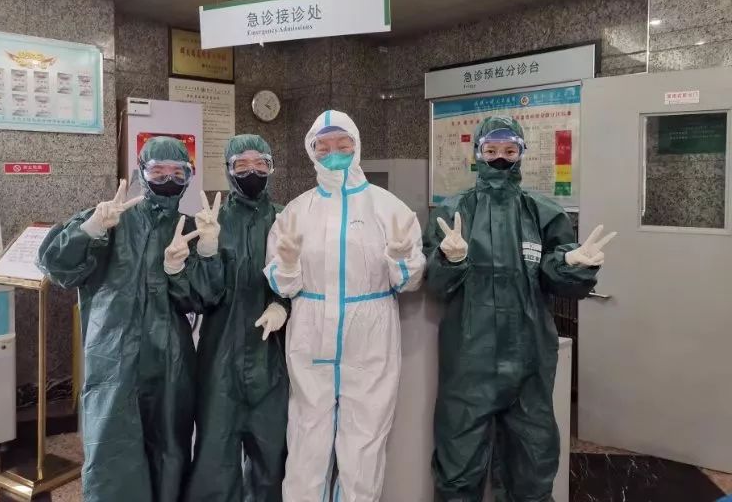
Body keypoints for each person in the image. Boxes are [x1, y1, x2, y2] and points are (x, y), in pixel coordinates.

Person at [424, 116, 616, 502]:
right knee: (458, 466)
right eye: (491, 150)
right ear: (477, 153)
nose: (500, 158)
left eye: (510, 151)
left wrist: (573, 266)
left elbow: (558, 280)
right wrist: (449, 261)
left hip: (529, 359)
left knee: (533, 464)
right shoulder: (454, 211)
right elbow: (436, 285)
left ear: (522, 154)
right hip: (469, 361)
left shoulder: (543, 212)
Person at [37, 137, 224, 502]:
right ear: (141, 172)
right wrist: (90, 228)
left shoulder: (189, 227)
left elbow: (204, 299)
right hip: (112, 354)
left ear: (189, 176)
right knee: (111, 445)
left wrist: (203, 251)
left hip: (170, 358)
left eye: (178, 173)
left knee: (169, 446)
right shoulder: (113, 218)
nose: (168, 179)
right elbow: (56, 266)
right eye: (158, 171)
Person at [263, 109, 426, 502]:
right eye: (323, 146)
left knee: (364, 444)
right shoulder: (296, 212)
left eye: (343, 144)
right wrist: (287, 265)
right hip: (310, 330)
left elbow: (408, 282)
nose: (333, 152)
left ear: (357, 146)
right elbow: (283, 285)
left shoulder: (389, 208)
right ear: (311, 150)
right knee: (306, 440)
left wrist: (402, 259)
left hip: (370, 334)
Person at [173, 134, 290, 502]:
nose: (251, 171)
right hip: (219, 355)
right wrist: (207, 251)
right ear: (228, 169)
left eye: (260, 164)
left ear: (271, 167)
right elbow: (199, 297)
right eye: (241, 165)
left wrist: (282, 305)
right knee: (215, 453)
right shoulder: (212, 220)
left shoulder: (287, 218)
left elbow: (304, 278)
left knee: (271, 454)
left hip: (271, 357)